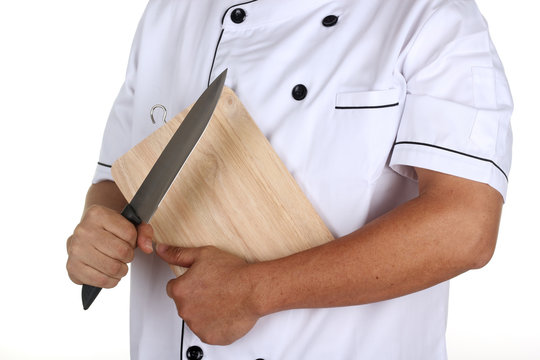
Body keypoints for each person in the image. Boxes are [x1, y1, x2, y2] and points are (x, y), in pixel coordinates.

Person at [66, 0, 513, 359]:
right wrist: (98, 230)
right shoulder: (170, 12)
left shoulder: (431, 16)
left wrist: (256, 291)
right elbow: (117, 181)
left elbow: (464, 227)